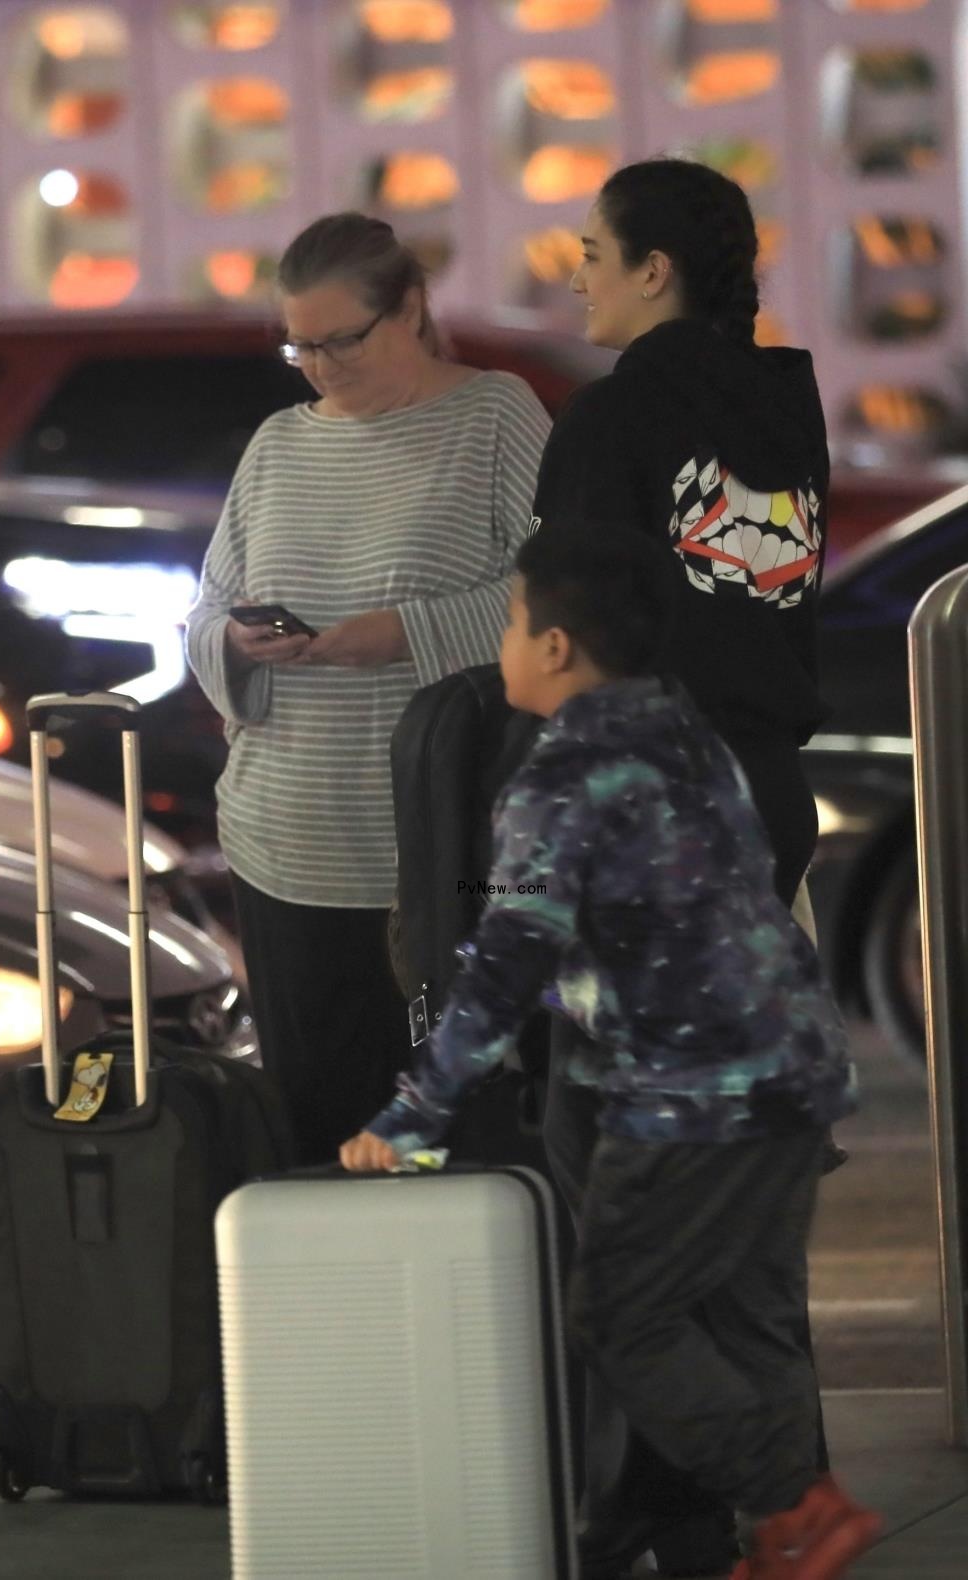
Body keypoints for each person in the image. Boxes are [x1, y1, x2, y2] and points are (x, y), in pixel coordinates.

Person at [340, 523, 880, 1580]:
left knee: (622, 1314)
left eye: (508, 621)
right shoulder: (682, 730)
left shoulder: (561, 778)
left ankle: (795, 1506)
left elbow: (505, 964)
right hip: (791, 1069)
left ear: (554, 647)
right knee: (751, 1312)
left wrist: (407, 1117)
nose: (500, 644)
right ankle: (786, 1539)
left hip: (691, 1094)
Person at [530, 156, 838, 1575]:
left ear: (654, 270)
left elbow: (570, 647)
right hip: (763, 801)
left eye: (592, 250)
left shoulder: (613, 423)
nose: (573, 272)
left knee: (621, 1196)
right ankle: (729, 1492)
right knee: (735, 1184)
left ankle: (687, 1504)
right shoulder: (784, 410)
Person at [184, 212, 551, 1165]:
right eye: (298, 344)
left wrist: (403, 634)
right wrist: (233, 641)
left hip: (435, 844)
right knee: (319, 1123)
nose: (317, 366)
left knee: (450, 1128)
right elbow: (205, 607)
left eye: (340, 340)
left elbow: (555, 595)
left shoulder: (494, 416)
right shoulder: (278, 444)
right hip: (286, 838)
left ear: (412, 309)